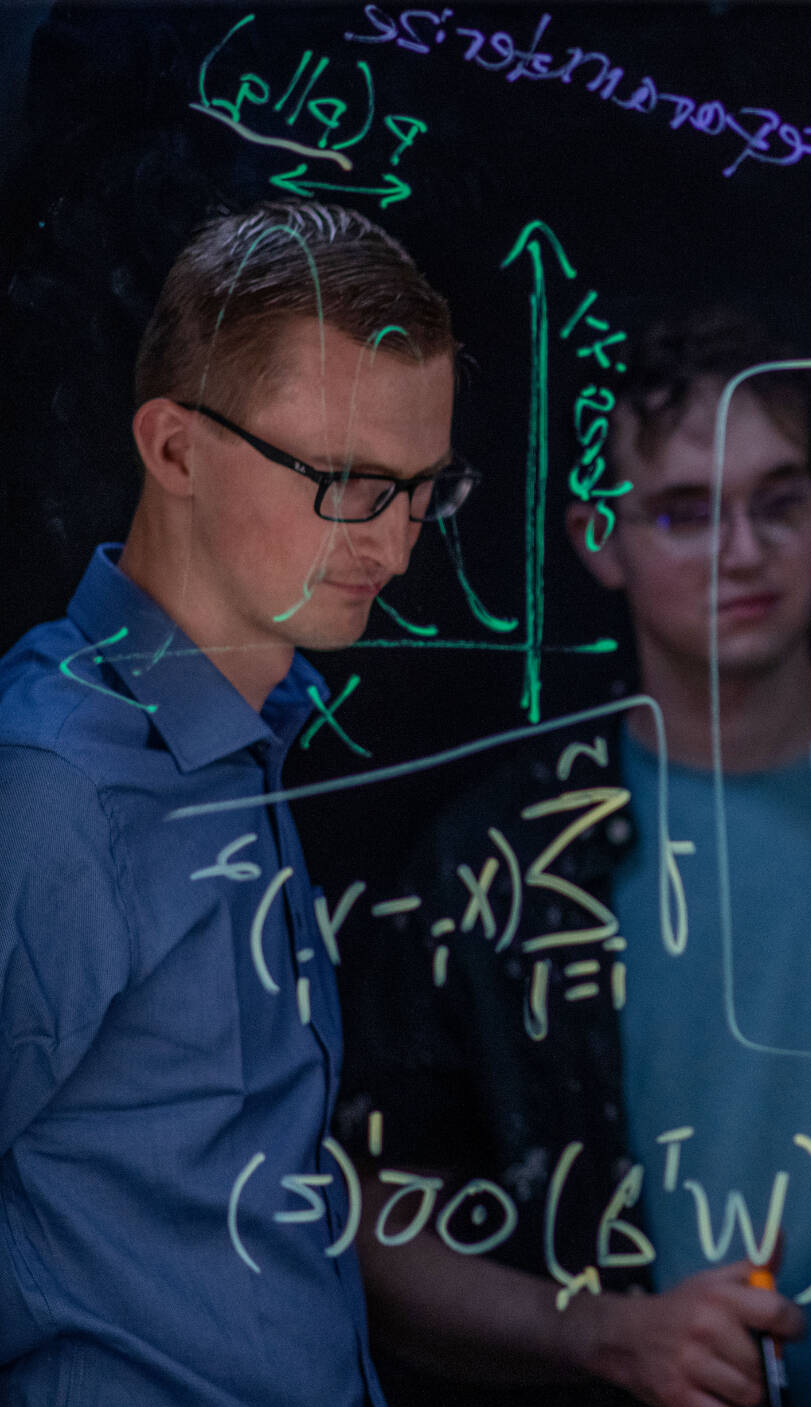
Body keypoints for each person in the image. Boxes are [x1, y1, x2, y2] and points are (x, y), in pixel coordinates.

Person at [337, 307, 811, 1407]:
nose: (743, 552)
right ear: (600, 533)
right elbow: (368, 1217)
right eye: (685, 513)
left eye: (777, 501)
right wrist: (600, 1334)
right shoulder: (504, 860)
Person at [0, 200, 465, 1403]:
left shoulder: (242, 736)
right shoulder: (57, 786)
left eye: (421, 488)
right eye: (344, 480)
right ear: (174, 450)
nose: (396, 545)